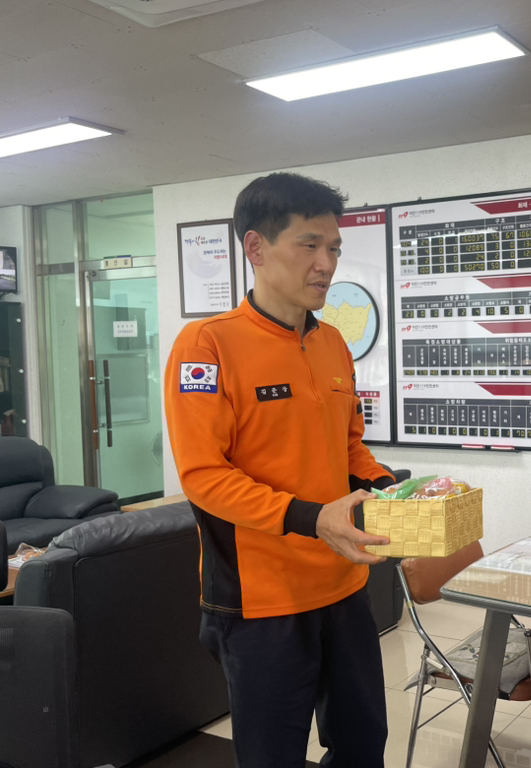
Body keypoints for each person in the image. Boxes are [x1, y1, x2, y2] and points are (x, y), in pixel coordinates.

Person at [164, 172, 395, 768]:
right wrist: (312, 519)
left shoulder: (333, 344)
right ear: (256, 248)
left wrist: (392, 489)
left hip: (343, 584)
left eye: (334, 248)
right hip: (261, 601)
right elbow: (204, 477)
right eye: (309, 245)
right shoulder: (206, 346)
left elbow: (349, 450)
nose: (327, 263)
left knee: (364, 745)